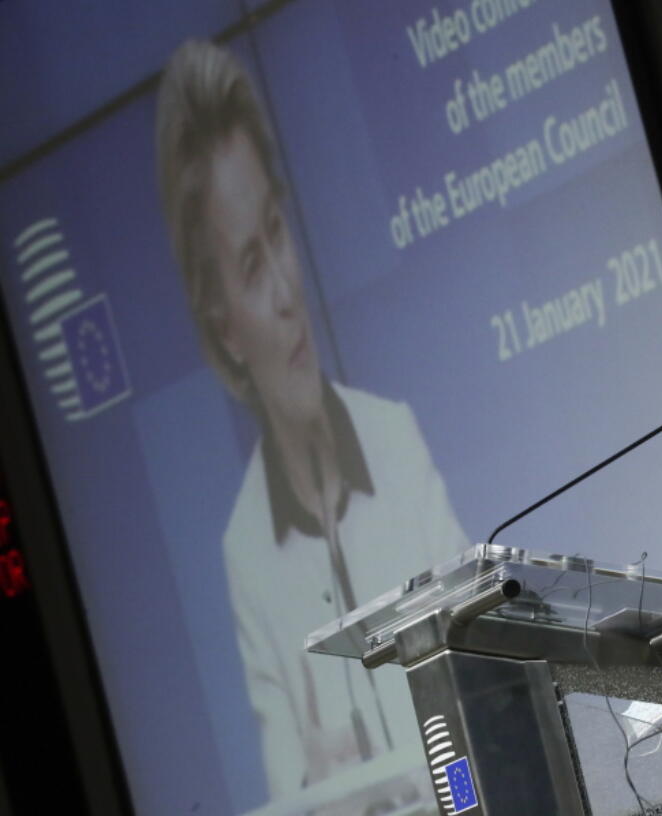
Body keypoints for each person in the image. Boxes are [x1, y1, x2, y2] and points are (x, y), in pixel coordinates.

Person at [155, 40, 469, 806]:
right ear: (224, 325)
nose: (289, 291)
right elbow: (292, 793)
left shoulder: (393, 438)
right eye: (251, 267)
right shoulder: (245, 554)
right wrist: (317, 780)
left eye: (277, 231)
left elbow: (490, 663)